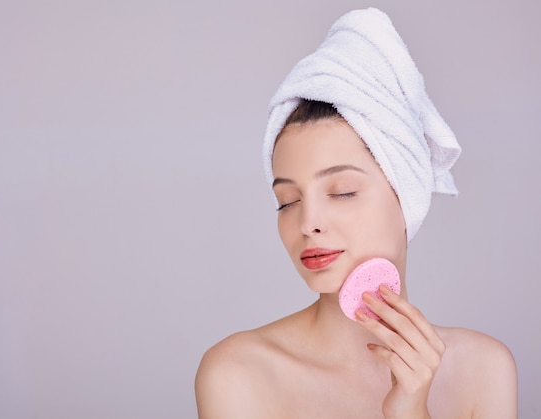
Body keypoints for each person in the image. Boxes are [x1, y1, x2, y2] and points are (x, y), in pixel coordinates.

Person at [195, 8, 517, 419]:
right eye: (288, 201)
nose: (307, 222)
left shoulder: (484, 370)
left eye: (342, 191)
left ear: (408, 195)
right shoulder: (238, 373)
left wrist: (411, 411)